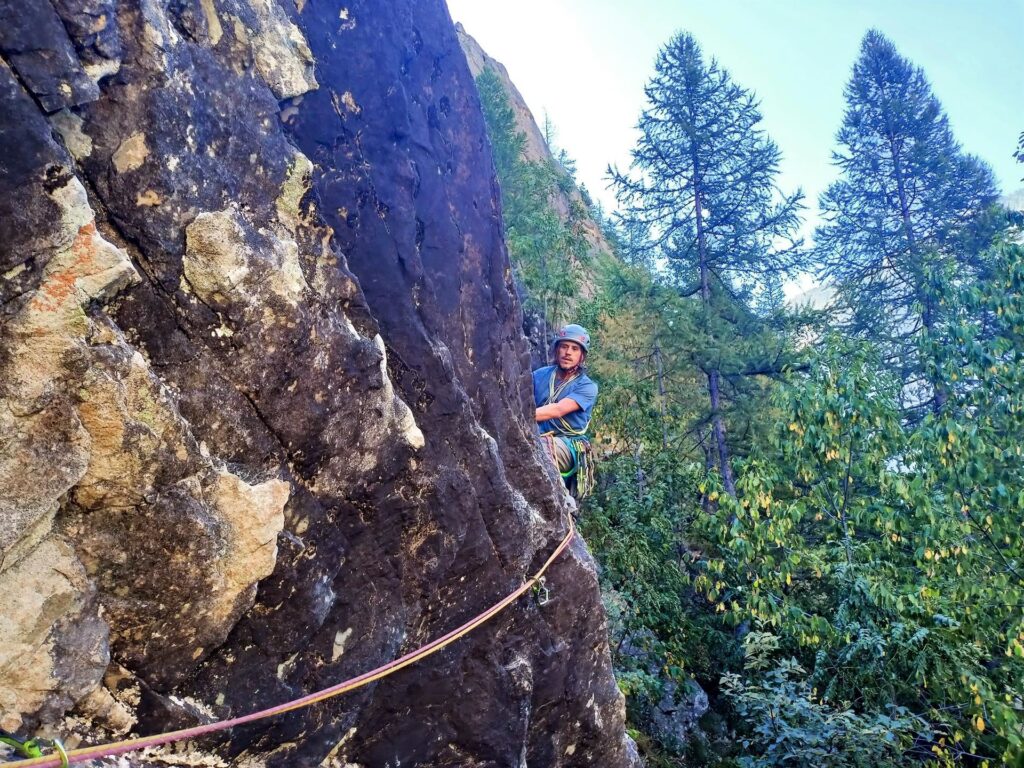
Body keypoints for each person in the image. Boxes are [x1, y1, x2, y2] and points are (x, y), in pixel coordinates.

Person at [533, 324, 598, 498]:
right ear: (556, 349)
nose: (568, 352)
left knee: (539, 448)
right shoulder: (539, 376)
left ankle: (561, 498)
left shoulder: (587, 387)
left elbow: (559, 409)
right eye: (564, 346)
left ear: (582, 356)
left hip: (568, 445)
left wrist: (518, 416)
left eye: (575, 348)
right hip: (535, 433)